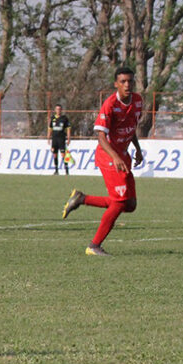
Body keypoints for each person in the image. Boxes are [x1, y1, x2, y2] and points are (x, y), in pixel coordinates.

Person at [61, 67, 143, 256]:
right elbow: (101, 137)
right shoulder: (110, 104)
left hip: (123, 155)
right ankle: (94, 245)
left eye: (130, 81)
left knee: (129, 204)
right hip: (108, 156)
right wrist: (114, 157)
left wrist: (137, 149)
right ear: (116, 84)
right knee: (120, 202)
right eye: (123, 81)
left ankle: (82, 198)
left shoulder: (138, 101)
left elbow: (131, 128)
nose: (127, 85)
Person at [49, 104, 71, 175]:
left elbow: (68, 129)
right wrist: (48, 138)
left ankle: (66, 170)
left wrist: (68, 138)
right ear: (55, 110)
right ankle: (56, 170)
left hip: (61, 139)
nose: (58, 110)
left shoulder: (64, 118)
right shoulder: (52, 118)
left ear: (61, 110)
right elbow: (50, 129)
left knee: (63, 154)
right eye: (57, 109)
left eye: (59, 109)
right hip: (54, 139)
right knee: (55, 154)